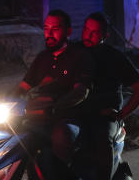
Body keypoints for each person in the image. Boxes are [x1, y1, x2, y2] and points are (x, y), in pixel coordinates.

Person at [77, 12, 139, 180]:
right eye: (86, 30)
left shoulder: (113, 57)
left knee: (102, 139)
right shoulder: (75, 51)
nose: (88, 36)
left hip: (103, 115)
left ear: (104, 35)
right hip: (77, 113)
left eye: (94, 32)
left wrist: (120, 114)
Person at [12, 9, 95, 167]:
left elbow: (81, 92)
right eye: (46, 28)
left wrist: (57, 107)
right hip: (39, 119)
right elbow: (23, 87)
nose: (49, 33)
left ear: (68, 31)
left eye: (55, 29)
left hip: (68, 118)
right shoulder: (42, 58)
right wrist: (7, 102)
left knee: (61, 135)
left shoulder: (79, 56)